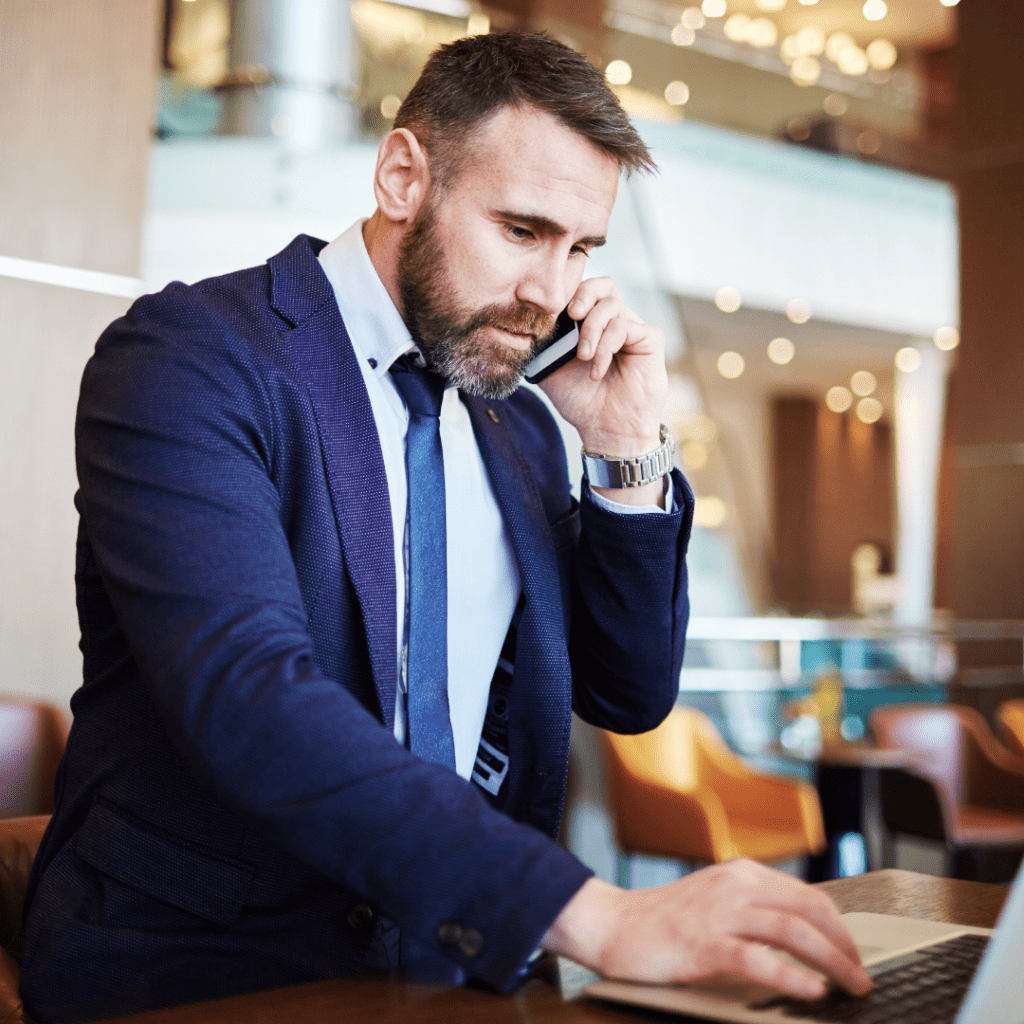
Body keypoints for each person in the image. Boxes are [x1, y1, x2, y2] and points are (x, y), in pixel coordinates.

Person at [19, 32, 871, 1023]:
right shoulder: (192, 359)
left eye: (580, 248)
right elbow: (247, 695)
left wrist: (626, 447)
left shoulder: (520, 419)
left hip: (462, 975)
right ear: (400, 176)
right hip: (206, 974)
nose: (550, 292)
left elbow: (628, 694)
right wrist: (586, 913)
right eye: (521, 230)